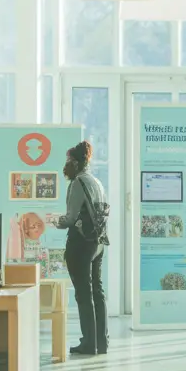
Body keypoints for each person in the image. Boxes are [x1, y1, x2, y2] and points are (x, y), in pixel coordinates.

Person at [55, 141, 110, 356]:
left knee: (83, 293)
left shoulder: (77, 182)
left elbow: (70, 219)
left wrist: (55, 221)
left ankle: (88, 343)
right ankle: (101, 342)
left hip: (81, 244)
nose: (65, 167)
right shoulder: (96, 182)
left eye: (68, 162)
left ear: (76, 163)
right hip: (97, 243)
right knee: (97, 291)